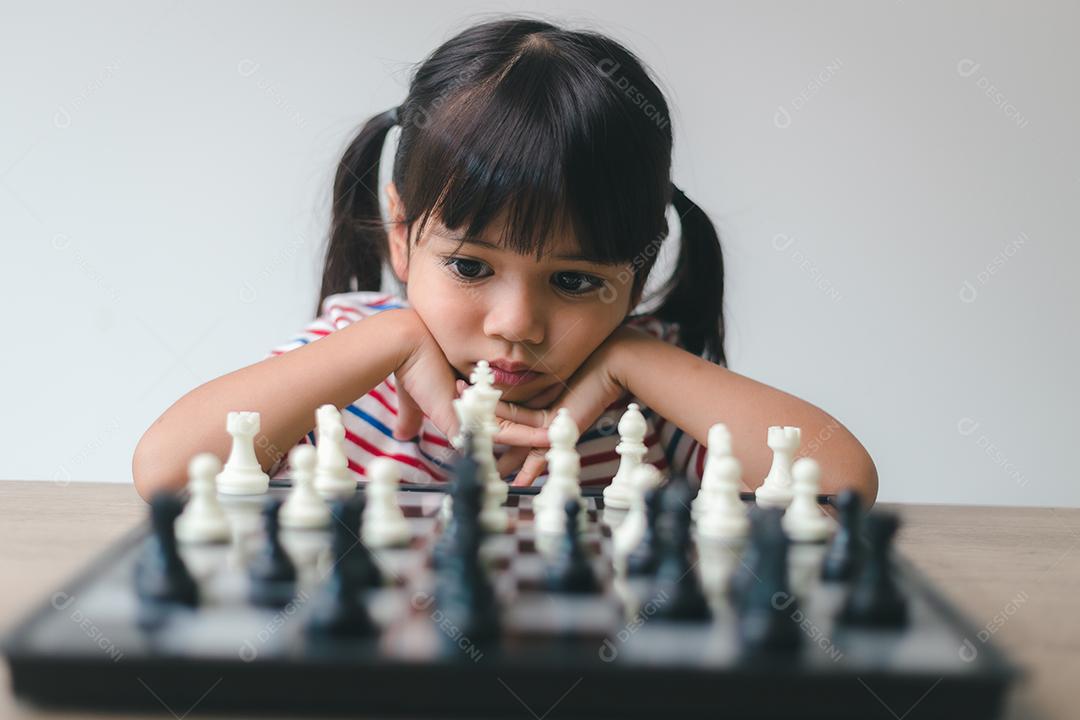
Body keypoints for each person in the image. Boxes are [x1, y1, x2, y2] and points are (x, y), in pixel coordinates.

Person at [132, 17, 877, 503]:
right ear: (400, 231)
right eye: (470, 267)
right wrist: (388, 340)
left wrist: (633, 362)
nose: (517, 324)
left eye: (576, 281)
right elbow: (164, 470)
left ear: (639, 269)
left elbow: (842, 484)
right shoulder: (350, 357)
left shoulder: (652, 397)